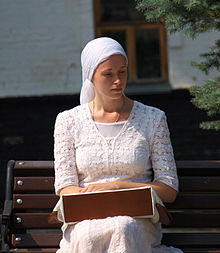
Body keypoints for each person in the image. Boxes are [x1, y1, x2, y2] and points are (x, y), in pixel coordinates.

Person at [54, 37, 183, 253]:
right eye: (108, 74)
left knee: (124, 227)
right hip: (85, 219)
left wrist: (118, 187)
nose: (118, 80)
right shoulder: (68, 121)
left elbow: (169, 189)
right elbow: (65, 187)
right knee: (88, 235)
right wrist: (99, 199)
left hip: (138, 220)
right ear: (91, 76)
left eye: (122, 71)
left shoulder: (152, 118)